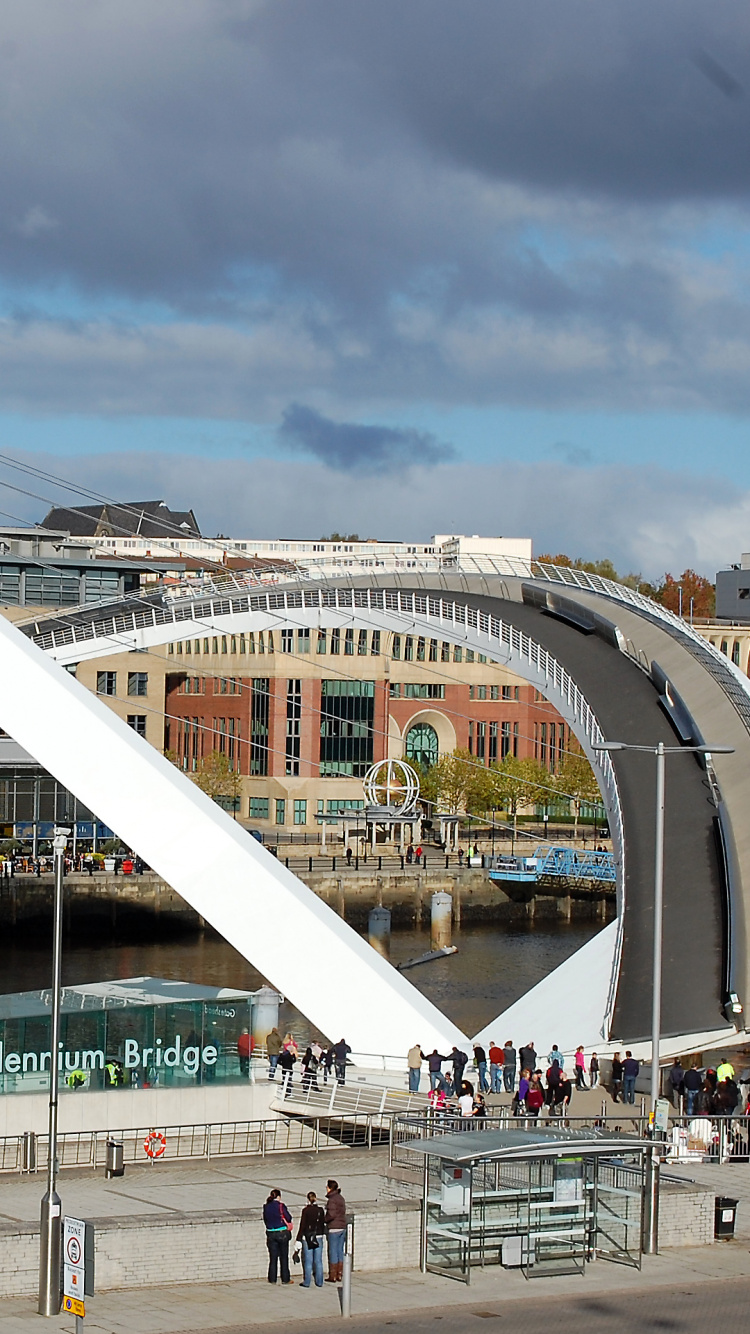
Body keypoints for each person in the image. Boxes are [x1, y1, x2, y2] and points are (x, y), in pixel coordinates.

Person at [263, 1189, 294, 1285]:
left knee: (273, 1257)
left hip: (270, 1233)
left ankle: (272, 1278)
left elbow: (265, 1219)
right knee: (284, 1257)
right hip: (282, 1233)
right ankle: (285, 1278)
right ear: (279, 1197)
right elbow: (288, 1217)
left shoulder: (266, 1207)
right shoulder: (281, 1206)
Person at [297, 1191, 326, 1288]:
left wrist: (298, 1238)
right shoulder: (320, 1210)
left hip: (307, 1237)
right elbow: (322, 1223)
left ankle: (307, 1282)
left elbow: (303, 1225)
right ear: (316, 1198)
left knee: (308, 1261)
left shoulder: (306, 1210)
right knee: (318, 1261)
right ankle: (319, 1282)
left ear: (308, 1199)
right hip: (319, 1236)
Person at [325, 1179, 347, 1284]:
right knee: (340, 1250)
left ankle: (332, 1275)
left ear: (330, 1188)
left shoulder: (332, 1200)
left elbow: (331, 1214)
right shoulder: (341, 1198)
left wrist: (325, 1219)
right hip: (342, 1226)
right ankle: (339, 1274)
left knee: (333, 1251)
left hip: (334, 1227)